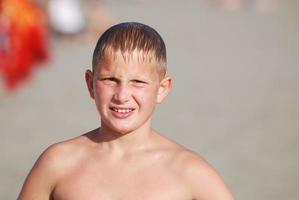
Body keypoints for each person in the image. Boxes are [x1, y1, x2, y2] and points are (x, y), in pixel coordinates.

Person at [18, 22, 234, 200]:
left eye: (138, 82)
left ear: (162, 89)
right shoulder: (58, 162)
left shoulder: (189, 172)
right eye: (110, 79)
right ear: (90, 83)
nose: (122, 95)